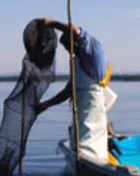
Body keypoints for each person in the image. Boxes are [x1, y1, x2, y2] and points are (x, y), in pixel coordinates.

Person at [34, 17, 118, 166]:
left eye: (68, 45)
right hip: (80, 108)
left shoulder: (93, 51)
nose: (68, 50)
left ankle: (96, 167)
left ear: (74, 41)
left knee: (90, 145)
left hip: (93, 107)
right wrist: (45, 105)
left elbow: (76, 31)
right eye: (66, 48)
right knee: (79, 142)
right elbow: (68, 91)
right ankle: (82, 165)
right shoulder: (77, 61)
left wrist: (52, 23)